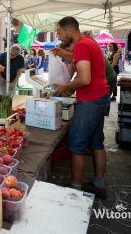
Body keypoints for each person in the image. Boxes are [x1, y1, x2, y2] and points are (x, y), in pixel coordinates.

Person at [52, 16, 109, 199]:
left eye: (60, 33)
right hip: (100, 96)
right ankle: (99, 184)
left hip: (91, 100)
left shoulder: (82, 45)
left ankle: (75, 187)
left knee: (76, 144)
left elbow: (84, 79)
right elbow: (79, 58)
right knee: (97, 142)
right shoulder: (87, 42)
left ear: (69, 31)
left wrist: (66, 87)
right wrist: (62, 53)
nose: (59, 37)